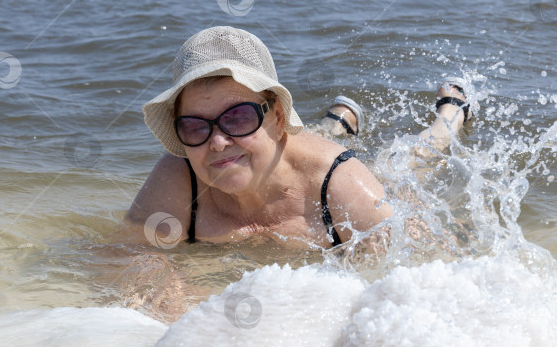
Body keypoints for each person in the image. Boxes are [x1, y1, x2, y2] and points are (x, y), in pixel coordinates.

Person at [124, 26, 472, 250]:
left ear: (277, 118)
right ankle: (339, 121)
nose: (216, 142)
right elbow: (124, 256)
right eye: (196, 126)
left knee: (411, 160)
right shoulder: (179, 177)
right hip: (284, 152)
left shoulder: (340, 181)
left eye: (238, 118)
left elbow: (428, 266)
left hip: (323, 172)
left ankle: (452, 111)